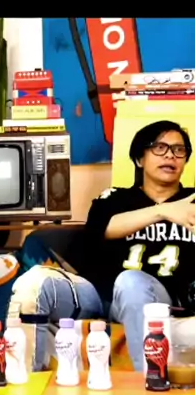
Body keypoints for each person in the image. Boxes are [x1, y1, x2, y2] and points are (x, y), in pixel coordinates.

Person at [29, 120, 195, 371]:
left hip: (165, 300)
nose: (170, 155)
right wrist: (162, 211)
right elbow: (98, 230)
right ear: (139, 159)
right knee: (36, 283)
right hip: (106, 297)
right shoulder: (114, 199)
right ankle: (27, 380)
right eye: (160, 147)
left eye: (179, 150)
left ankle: (149, 380)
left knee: (133, 283)